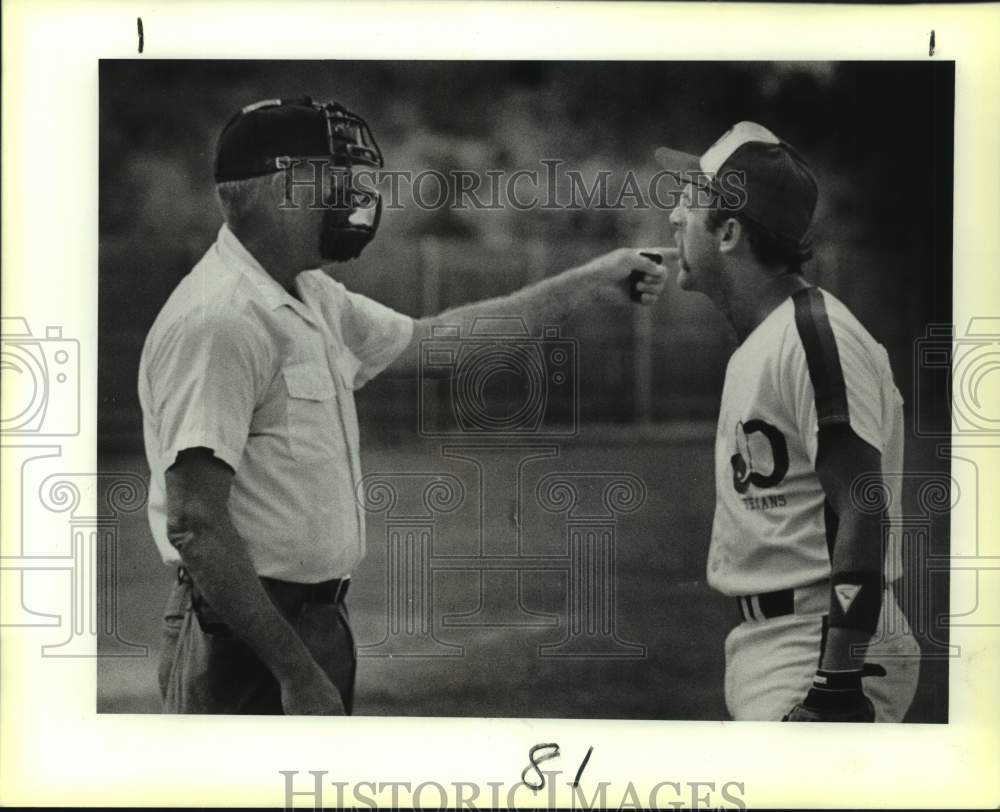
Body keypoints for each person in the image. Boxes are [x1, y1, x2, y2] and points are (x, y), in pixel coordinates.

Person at [138, 96, 671, 715]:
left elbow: (441, 342)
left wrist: (596, 278)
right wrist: (295, 671)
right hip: (245, 633)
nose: (353, 196)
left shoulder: (311, 295)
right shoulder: (221, 319)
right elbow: (195, 524)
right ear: (283, 188)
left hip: (310, 621)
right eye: (336, 179)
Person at [659, 121, 921, 721]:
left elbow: (862, 503)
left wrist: (835, 683)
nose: (674, 216)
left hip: (819, 647)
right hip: (780, 643)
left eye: (689, 202)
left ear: (728, 232)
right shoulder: (771, 338)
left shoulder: (812, 338)